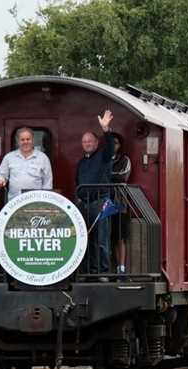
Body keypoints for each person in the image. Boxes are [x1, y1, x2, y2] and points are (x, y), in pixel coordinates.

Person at [76, 110, 115, 275]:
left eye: (90, 141)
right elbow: (77, 182)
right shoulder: (81, 162)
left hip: (101, 202)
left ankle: (103, 273)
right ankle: (90, 272)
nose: (87, 143)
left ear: (97, 142)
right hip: (84, 204)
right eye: (84, 142)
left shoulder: (104, 156)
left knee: (101, 240)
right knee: (87, 240)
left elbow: (111, 146)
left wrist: (106, 129)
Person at [0, 127, 53, 199]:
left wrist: (45, 199)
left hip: (35, 200)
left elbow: (48, 182)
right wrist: (0, 180)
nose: (25, 142)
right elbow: (1, 175)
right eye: (22, 140)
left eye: (28, 139)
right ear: (18, 141)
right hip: (14, 201)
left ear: (32, 140)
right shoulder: (9, 157)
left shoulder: (43, 158)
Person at [110, 133, 132, 275]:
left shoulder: (125, 160)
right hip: (104, 201)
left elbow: (123, 176)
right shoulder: (102, 158)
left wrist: (106, 175)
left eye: (116, 143)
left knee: (120, 236)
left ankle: (121, 268)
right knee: (107, 237)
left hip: (119, 201)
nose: (113, 145)